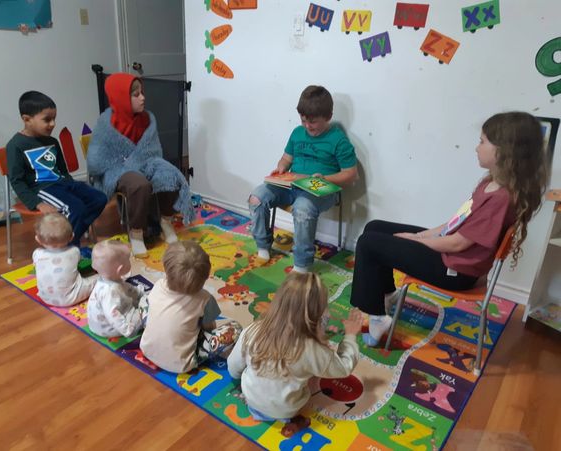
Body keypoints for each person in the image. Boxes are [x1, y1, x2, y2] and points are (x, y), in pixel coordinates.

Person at [350, 112, 548, 346]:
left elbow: (458, 243)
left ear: (504, 151)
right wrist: (420, 235)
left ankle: (377, 318)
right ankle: (387, 295)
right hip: (450, 255)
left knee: (368, 244)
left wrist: (415, 241)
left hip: (455, 271)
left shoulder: (501, 199)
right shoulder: (490, 183)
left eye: (482, 141)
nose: (476, 147)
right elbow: (456, 221)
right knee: (375, 228)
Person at [227, 272, 364, 435]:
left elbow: (233, 365)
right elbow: (344, 367)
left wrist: (237, 380)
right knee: (314, 366)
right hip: (286, 410)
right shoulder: (312, 349)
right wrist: (350, 335)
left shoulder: (253, 329)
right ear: (316, 314)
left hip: (251, 398)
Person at [248, 85, 358, 273]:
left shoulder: (338, 140)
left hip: (320, 189)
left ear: (328, 117)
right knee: (256, 197)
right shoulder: (297, 133)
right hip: (291, 185)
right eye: (303, 120)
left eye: (313, 122)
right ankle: (263, 246)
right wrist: (281, 167)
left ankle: (302, 264)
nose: (307, 126)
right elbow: (286, 158)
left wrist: (325, 178)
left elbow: (350, 174)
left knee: (302, 208)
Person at [86, 73, 195, 258]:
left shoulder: (147, 119)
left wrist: (140, 162)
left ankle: (165, 221)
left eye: (142, 92)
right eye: (136, 94)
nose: (143, 97)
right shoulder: (106, 124)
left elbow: (152, 151)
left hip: (146, 162)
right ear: (120, 98)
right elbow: (96, 160)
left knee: (171, 174)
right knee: (139, 184)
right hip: (117, 169)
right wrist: (128, 164)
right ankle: (136, 233)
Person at [6, 91, 107, 247]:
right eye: (47, 120)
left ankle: (69, 237)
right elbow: (17, 182)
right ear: (27, 119)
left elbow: (62, 170)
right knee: (76, 208)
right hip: (42, 189)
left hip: (63, 184)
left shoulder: (52, 141)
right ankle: (69, 248)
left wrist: (72, 186)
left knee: (99, 198)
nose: (53, 124)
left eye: (54, 119)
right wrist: (38, 204)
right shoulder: (15, 145)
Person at [140, 241, 242, 373]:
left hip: (147, 349)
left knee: (145, 298)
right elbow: (209, 328)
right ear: (206, 276)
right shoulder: (205, 299)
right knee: (235, 328)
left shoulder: (158, 284)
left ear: (165, 268)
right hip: (183, 364)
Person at [32, 213, 97, 307]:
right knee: (98, 278)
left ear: (38, 239)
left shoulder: (37, 253)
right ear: (72, 237)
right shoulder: (74, 251)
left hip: (45, 297)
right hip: (71, 298)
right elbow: (79, 262)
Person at [87, 240, 148, 338]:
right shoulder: (110, 292)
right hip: (109, 328)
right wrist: (127, 330)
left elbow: (127, 288)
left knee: (128, 291)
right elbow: (112, 315)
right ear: (120, 269)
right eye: (128, 259)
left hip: (98, 324)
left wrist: (140, 294)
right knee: (145, 311)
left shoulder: (106, 280)